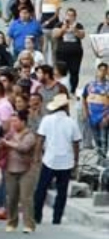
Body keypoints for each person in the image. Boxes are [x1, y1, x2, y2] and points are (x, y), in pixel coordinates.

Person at [32, 93, 82, 226]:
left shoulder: (47, 120)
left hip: (49, 158)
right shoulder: (71, 122)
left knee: (41, 189)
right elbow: (76, 143)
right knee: (62, 191)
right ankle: (57, 218)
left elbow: (40, 139)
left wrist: (37, 156)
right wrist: (76, 160)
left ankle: (37, 216)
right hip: (66, 160)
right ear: (66, 107)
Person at [0, 110, 38, 233]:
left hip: (27, 170)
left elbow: (23, 147)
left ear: (23, 121)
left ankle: (29, 224)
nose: (13, 124)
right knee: (11, 198)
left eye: (15, 121)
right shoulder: (9, 135)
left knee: (26, 198)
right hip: (10, 169)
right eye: (12, 121)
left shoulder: (30, 135)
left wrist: (8, 143)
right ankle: (12, 222)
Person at [81, 62, 109, 159]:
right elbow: (84, 98)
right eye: (100, 70)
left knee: (103, 141)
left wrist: (107, 117)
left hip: (104, 117)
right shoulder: (90, 85)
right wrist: (85, 112)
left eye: (104, 70)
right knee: (96, 141)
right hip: (92, 117)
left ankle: (104, 162)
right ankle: (99, 161)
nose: (102, 72)